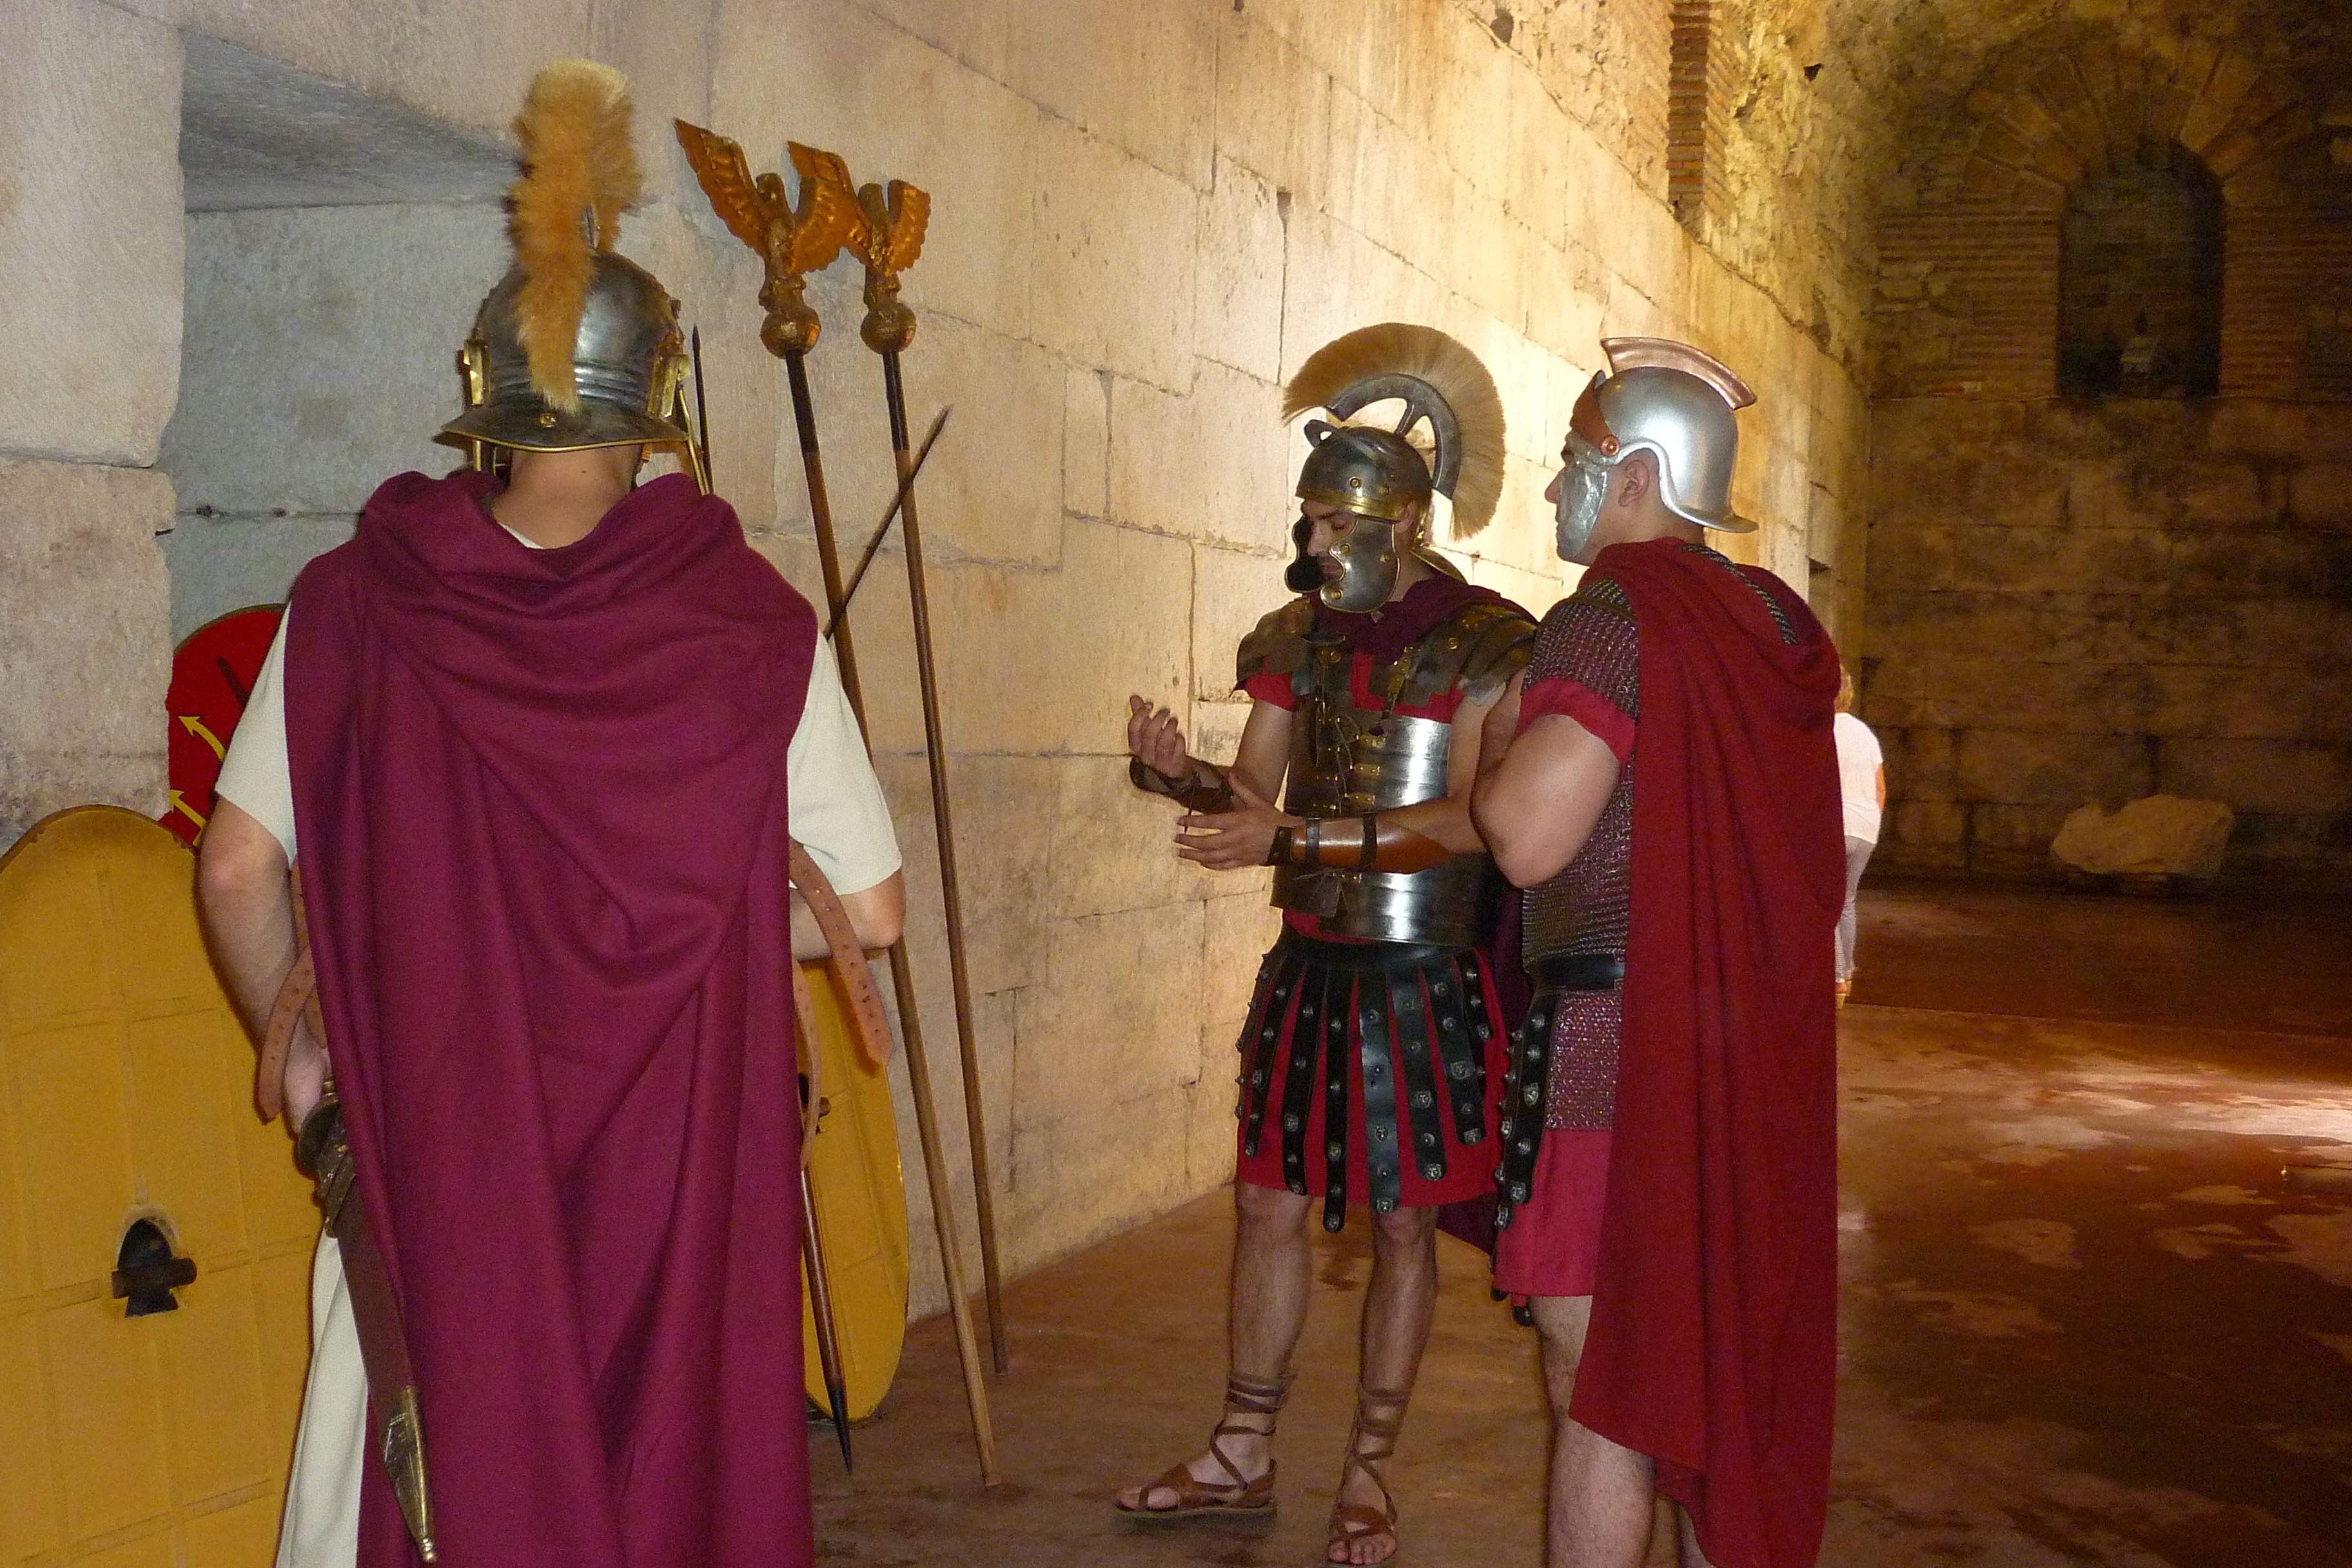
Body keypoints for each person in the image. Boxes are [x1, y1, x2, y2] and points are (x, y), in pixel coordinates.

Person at [195, 62, 903, 1568]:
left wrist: (317, 1070)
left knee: (413, 1463)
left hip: (431, 1151)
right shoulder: (749, 623)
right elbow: (870, 909)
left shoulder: (351, 603)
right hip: (676, 1179)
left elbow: (240, 865)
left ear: (484, 401)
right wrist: (692, 901)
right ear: (661, 410)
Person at [1115, 324, 1535, 1566]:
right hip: (1308, 963)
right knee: (1266, 1202)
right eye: (1308, 519)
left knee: (1401, 1224)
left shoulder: (1487, 643)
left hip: (1422, 971)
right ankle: (1241, 1447)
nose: (1312, 541)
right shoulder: (1291, 639)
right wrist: (1175, 775)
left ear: (1400, 524)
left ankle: (1368, 1471)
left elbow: (1472, 819)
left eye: (1334, 523)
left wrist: (1293, 835)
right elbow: (1251, 793)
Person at [1469, 338, 1845, 1568]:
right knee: (1717, 1395)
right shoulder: (1772, 622)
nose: (1553, 487)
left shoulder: (1608, 615)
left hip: (1612, 1058)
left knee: (1606, 1391)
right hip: (1747, 1059)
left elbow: (1525, 839)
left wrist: (1496, 746)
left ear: (1634, 474)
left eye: (1571, 460)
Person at [1832, 666, 1884, 1003]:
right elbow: (1881, 788)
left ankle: (1836, 976)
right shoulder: (1866, 734)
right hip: (1866, 828)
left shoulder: (1823, 731)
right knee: (1847, 901)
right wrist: (1871, 823)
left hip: (1836, 827)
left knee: (1823, 901)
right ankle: (1847, 969)